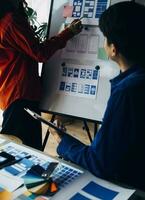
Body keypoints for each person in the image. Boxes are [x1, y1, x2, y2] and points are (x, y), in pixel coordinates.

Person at [50, 1, 145, 191]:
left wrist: (63, 142)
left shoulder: (127, 91)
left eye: (105, 37)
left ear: (113, 48)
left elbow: (101, 163)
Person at [0, 0, 82, 150]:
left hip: (13, 91)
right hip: (20, 93)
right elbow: (40, 53)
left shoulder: (7, 19)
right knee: (21, 152)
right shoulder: (10, 22)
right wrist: (68, 32)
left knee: (24, 150)